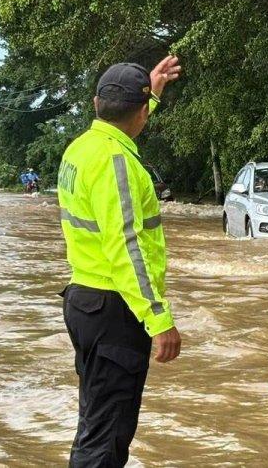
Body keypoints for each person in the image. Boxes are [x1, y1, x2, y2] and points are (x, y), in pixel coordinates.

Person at [57, 55, 182, 467]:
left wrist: (151, 95)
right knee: (107, 440)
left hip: (83, 301)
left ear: (96, 105)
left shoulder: (81, 149)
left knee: (95, 425)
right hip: (116, 310)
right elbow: (127, 248)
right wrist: (158, 318)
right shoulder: (117, 164)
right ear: (141, 112)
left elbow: (123, 127)